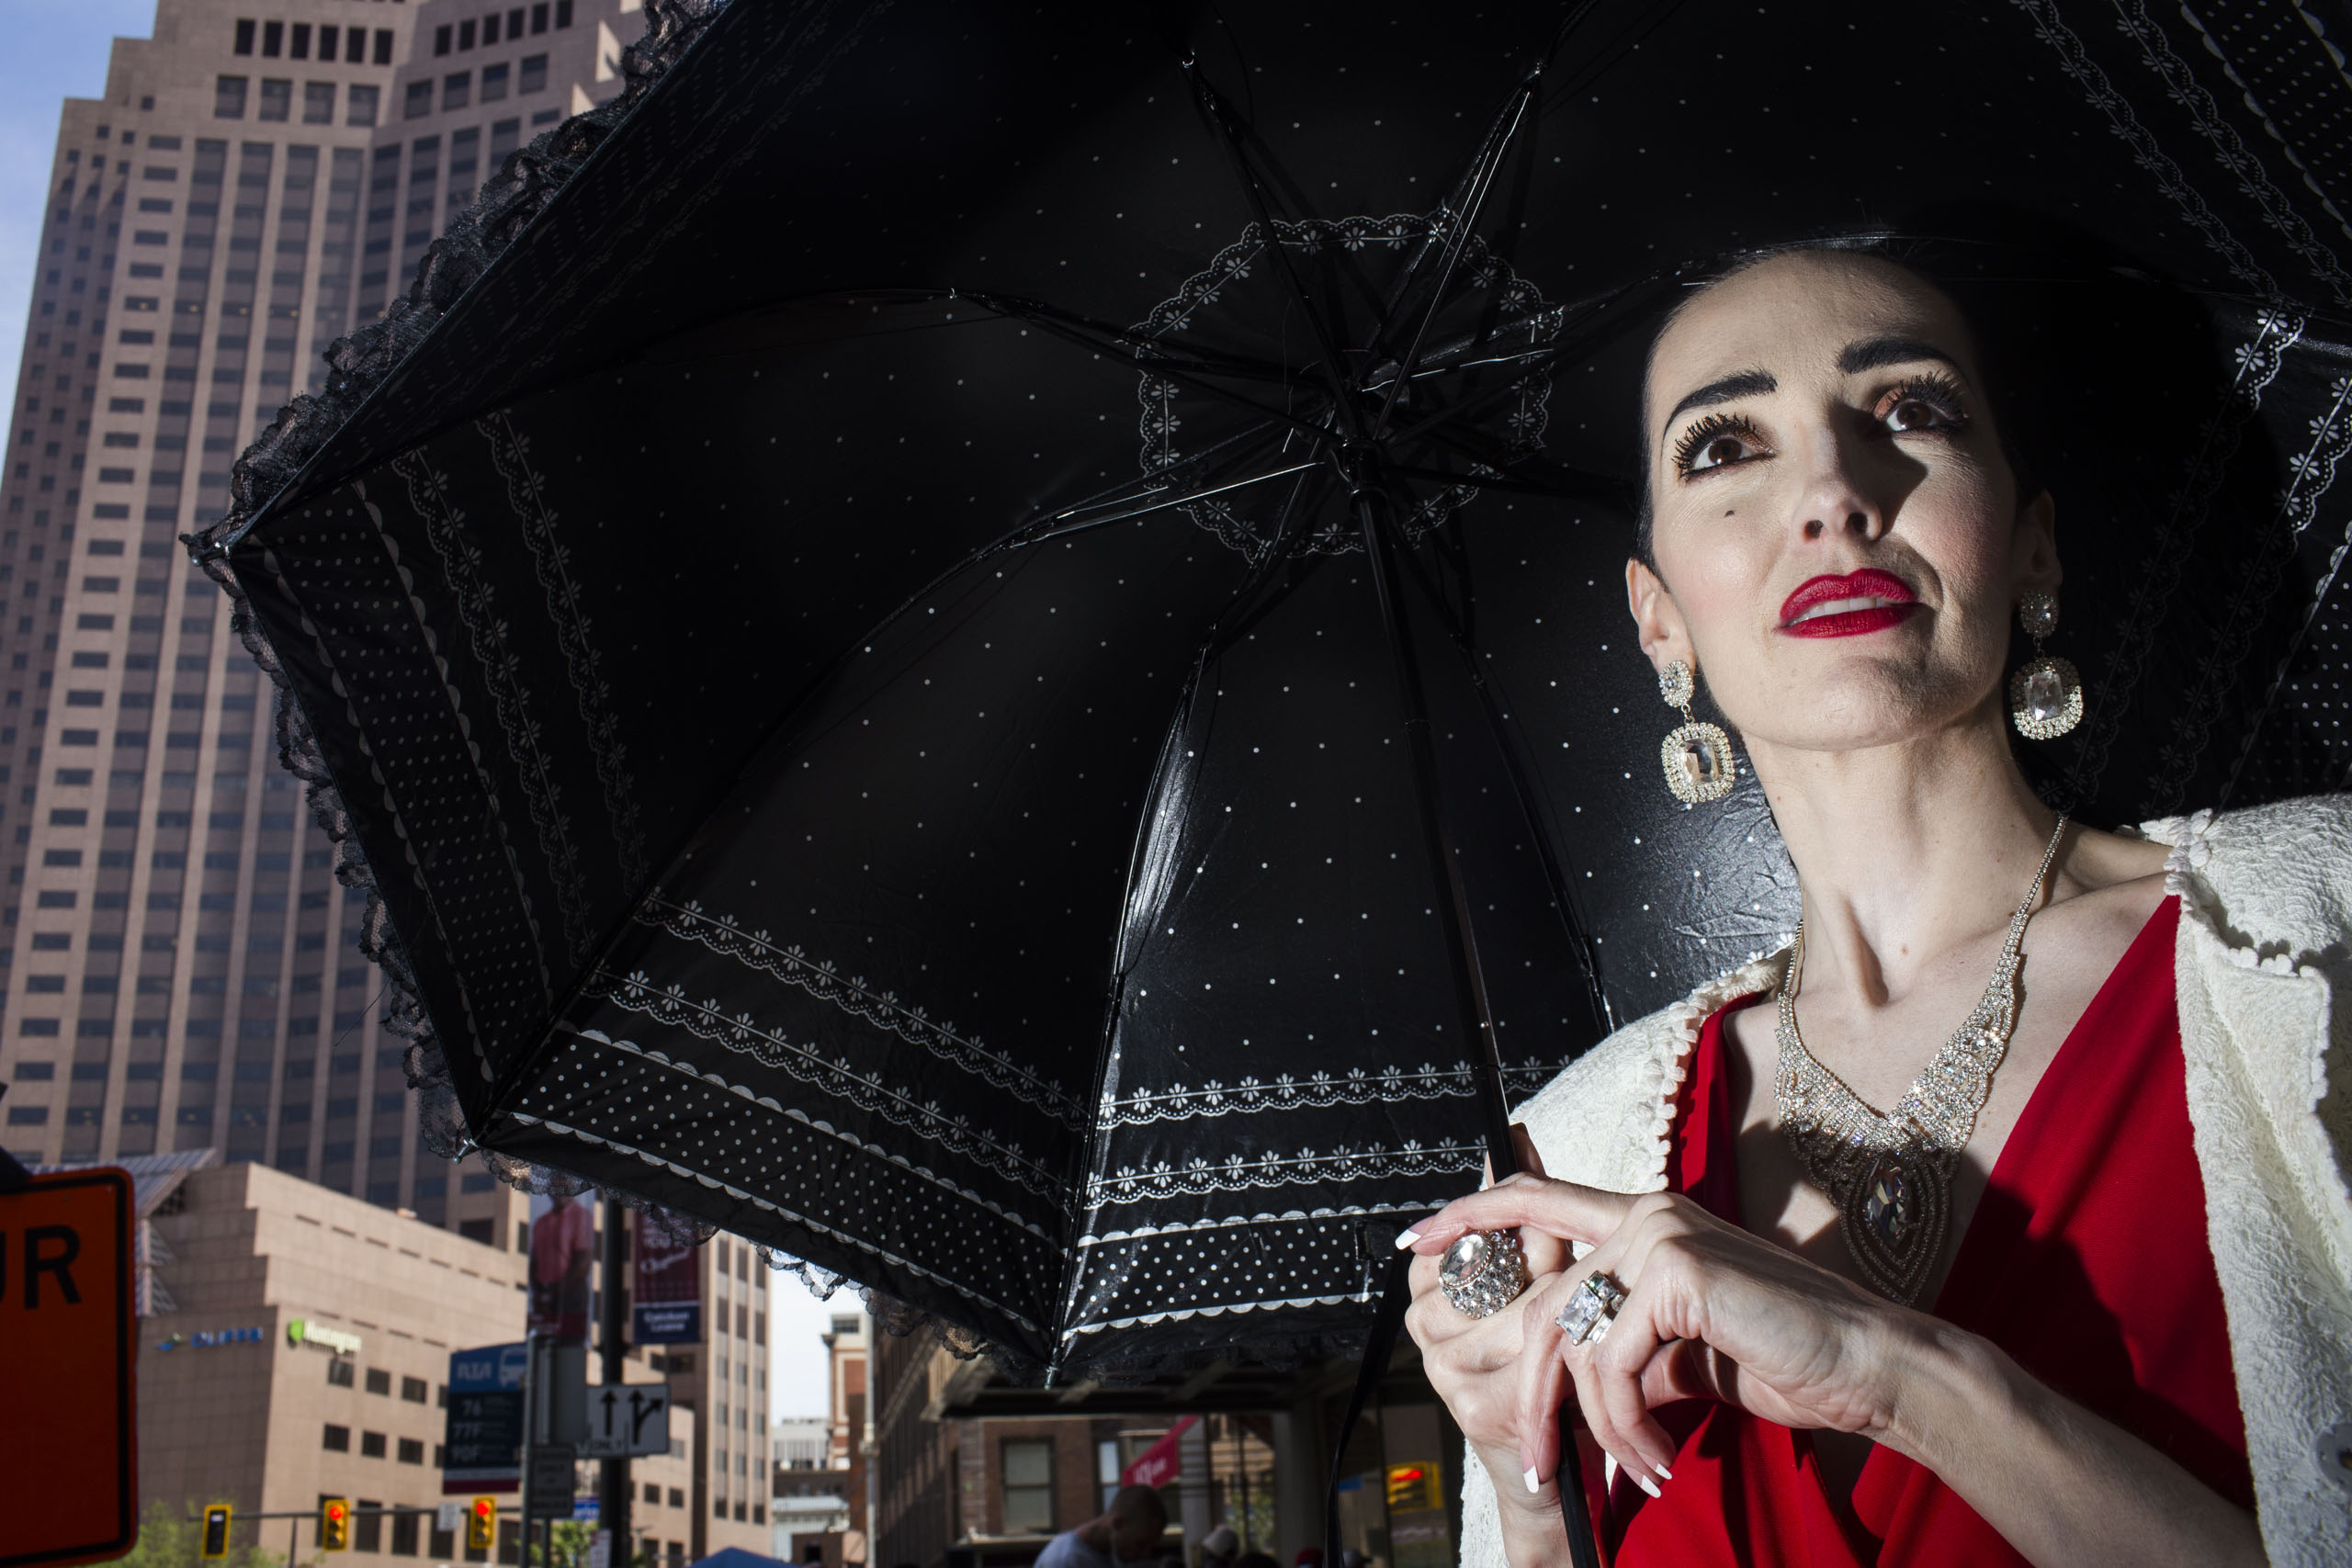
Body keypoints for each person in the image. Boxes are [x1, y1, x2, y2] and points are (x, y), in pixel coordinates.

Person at [1398, 246, 2352, 1566]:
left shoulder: (2320, 936)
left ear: (2031, 544)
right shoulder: (1572, 1151)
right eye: (1726, 445)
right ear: (1660, 618)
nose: (1837, 494)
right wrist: (1529, 1482)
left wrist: (1900, 1373)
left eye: (1912, 412)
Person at [1033, 1484, 1168, 1568]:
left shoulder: (1113, 1555)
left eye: (1151, 1546)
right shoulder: (1065, 1560)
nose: (1146, 1554)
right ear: (1117, 1523)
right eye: (1140, 1544)